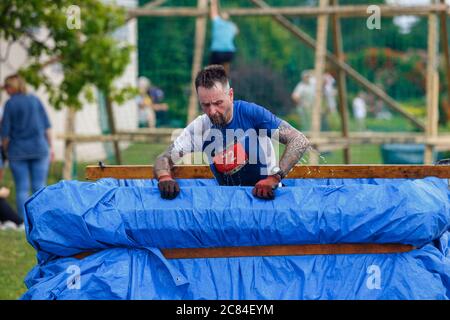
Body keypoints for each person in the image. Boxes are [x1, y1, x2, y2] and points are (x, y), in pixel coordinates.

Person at [153, 65, 311, 200]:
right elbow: (164, 158)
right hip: (229, 206)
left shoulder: (252, 114)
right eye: (206, 105)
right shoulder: (200, 128)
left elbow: (298, 140)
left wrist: (275, 177)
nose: (212, 111)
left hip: (268, 200)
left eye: (218, 103)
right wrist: (164, 177)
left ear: (230, 95)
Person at [1, 74, 53, 219]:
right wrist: (51, 147)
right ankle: (42, 219)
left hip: (18, 152)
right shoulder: (35, 100)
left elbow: (5, 134)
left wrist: (5, 151)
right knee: (39, 186)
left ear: (14, 86)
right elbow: (47, 127)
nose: (5, 90)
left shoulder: (10, 104)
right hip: (40, 149)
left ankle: (25, 222)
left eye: (7, 86)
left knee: (22, 188)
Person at [209, 0, 239, 75]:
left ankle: (212, 81)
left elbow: (213, 12)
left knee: (212, 70)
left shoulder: (217, 22)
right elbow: (237, 32)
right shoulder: (231, 25)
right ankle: (225, 81)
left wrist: (213, 2)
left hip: (217, 51)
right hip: (229, 52)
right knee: (225, 69)